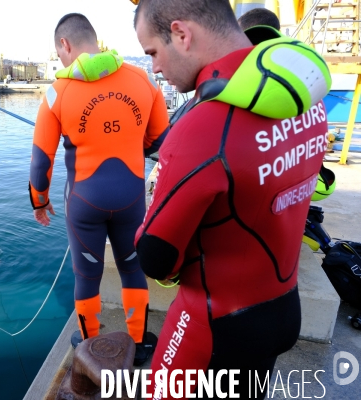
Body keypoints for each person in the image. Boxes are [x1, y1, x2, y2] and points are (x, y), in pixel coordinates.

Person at [133, 0, 330, 397]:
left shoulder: (202, 125)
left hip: (213, 323)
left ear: (181, 34)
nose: (154, 68)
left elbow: (156, 256)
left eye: (153, 52)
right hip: (281, 307)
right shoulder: (305, 99)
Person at [29, 13, 169, 366]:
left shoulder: (56, 92)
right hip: (132, 199)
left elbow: (40, 162)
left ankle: (90, 346)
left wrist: (39, 202)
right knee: (133, 269)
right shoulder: (144, 80)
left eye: (59, 53)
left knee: (86, 275)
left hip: (84, 203)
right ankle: (138, 343)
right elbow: (161, 142)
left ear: (65, 45)